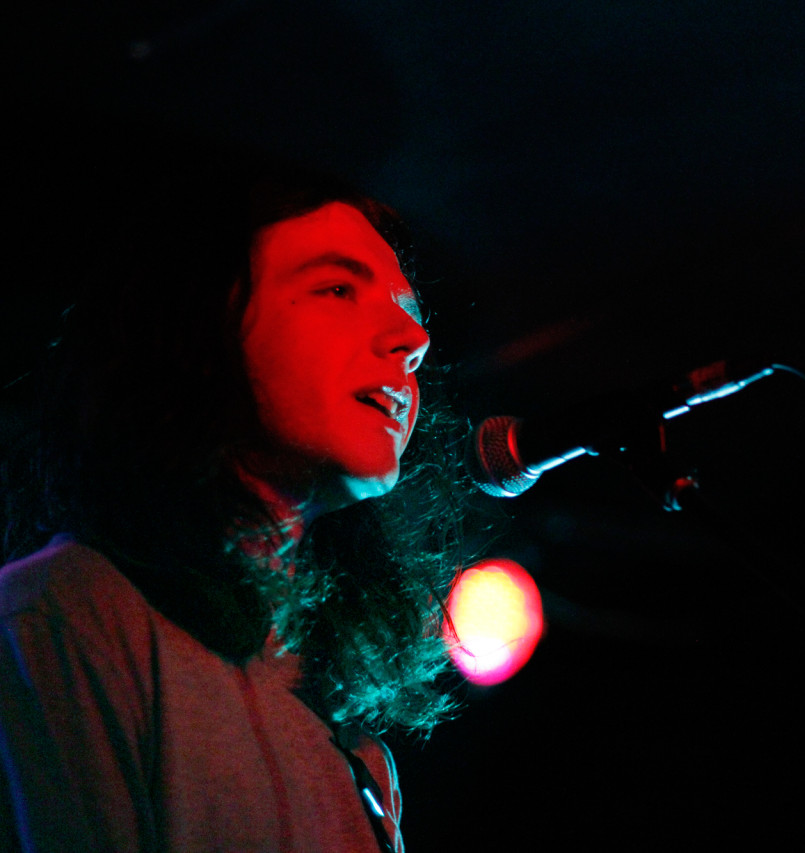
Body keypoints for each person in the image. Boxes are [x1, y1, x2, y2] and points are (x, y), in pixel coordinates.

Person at [0, 162, 470, 851]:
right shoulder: (61, 613)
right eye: (338, 288)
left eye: (410, 319)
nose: (413, 341)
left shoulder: (353, 742)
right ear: (204, 323)